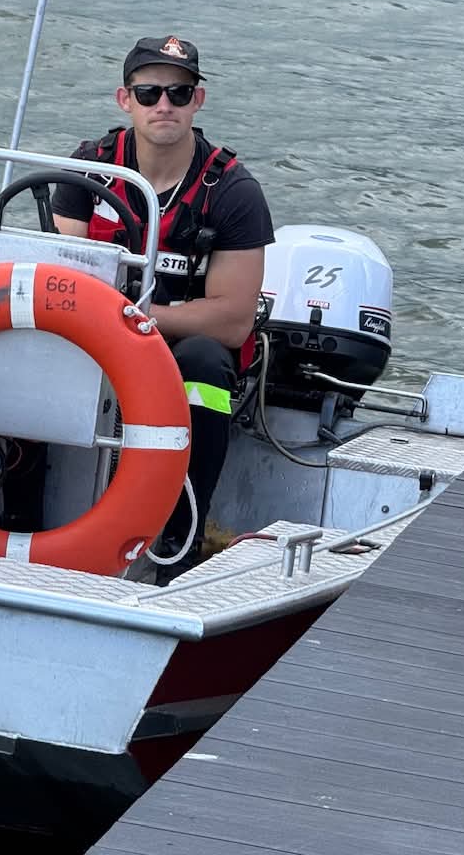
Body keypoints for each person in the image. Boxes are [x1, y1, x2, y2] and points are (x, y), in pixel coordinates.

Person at [51, 34, 274, 583]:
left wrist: (140, 323)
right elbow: (59, 269)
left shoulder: (233, 192)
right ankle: (23, 511)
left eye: (179, 93)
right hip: (88, 333)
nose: (164, 105)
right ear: (124, 100)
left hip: (176, 346)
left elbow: (232, 319)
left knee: (206, 364)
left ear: (198, 101)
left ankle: (180, 541)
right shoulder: (87, 169)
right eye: (149, 93)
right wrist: (105, 323)